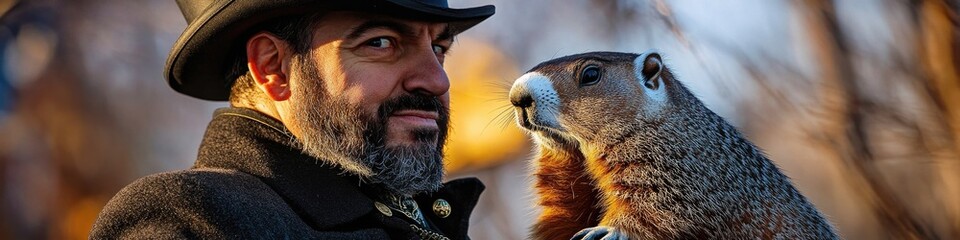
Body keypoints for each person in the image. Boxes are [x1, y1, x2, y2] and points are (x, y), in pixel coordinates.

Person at [90, 0, 495, 239]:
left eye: (439, 47)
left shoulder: (416, 221)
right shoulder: (188, 217)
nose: (436, 79)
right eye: (382, 43)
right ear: (274, 68)